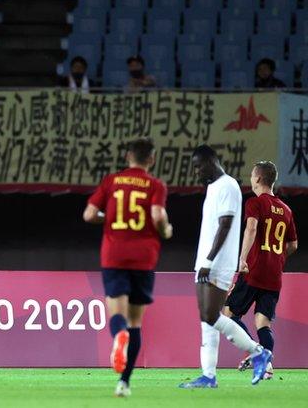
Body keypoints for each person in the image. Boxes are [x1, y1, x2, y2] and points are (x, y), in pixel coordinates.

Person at [83, 138, 173, 397]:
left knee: (118, 316)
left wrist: (107, 218)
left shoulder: (112, 181)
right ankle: (124, 382)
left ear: (127, 157)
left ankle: (118, 335)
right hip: (143, 258)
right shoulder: (155, 185)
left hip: (115, 255)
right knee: (136, 322)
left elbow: (89, 214)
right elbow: (157, 216)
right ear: (152, 160)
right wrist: (165, 230)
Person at [178, 145, 273, 389]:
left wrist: (209, 261)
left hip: (218, 263)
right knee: (206, 320)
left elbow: (226, 225)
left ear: (211, 161)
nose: (197, 172)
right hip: (205, 262)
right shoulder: (212, 187)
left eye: (198, 166)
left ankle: (258, 352)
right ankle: (208, 376)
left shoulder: (228, 185)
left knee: (210, 316)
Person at [223, 161, 298, 380]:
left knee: (229, 315)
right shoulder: (286, 210)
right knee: (262, 322)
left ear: (257, 179)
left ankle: (258, 354)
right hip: (274, 274)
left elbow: (252, 228)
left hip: (254, 270)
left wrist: (242, 258)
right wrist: (277, 258)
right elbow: (293, 245)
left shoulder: (255, 203)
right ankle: (267, 366)